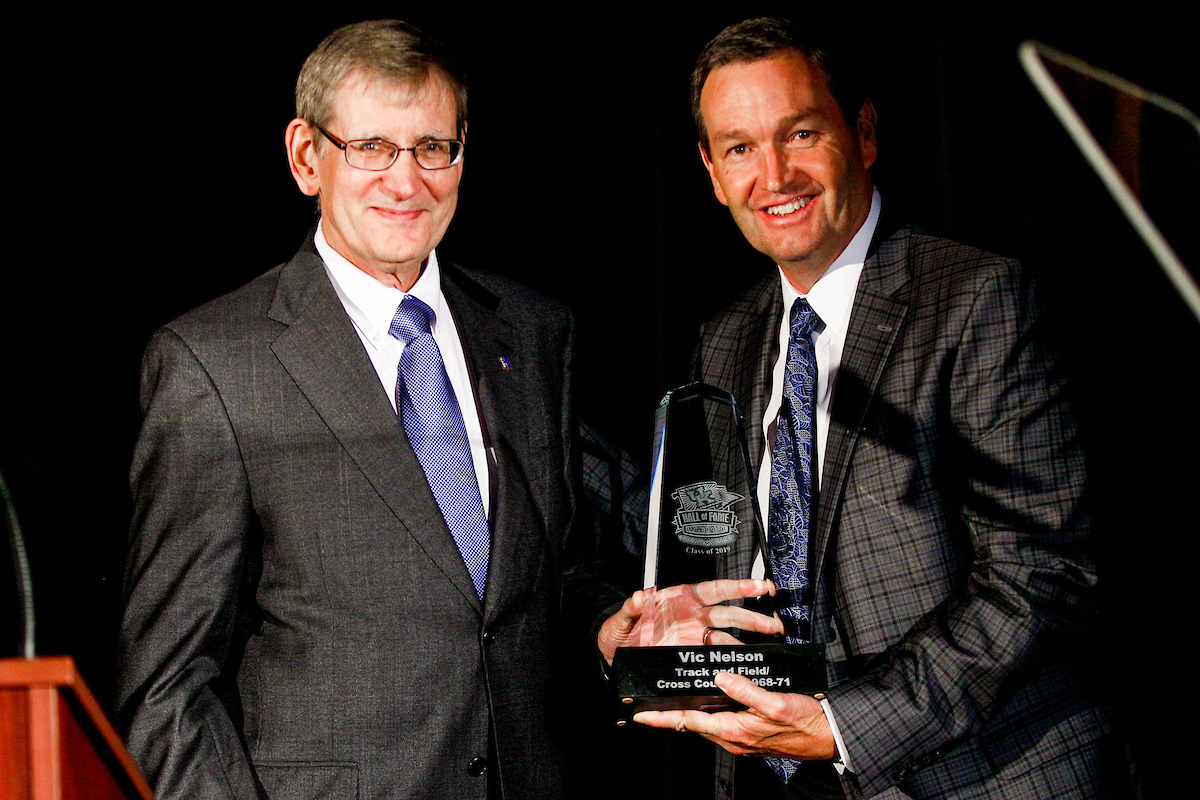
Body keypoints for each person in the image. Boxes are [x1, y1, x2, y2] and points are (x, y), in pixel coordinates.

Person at [597, 17, 1137, 800]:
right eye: (740, 148)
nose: (773, 175)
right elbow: (739, 557)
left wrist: (847, 726)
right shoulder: (724, 342)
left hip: (987, 779)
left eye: (801, 133)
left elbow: (1043, 570)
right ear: (713, 174)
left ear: (865, 132)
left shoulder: (977, 298)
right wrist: (673, 633)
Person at [115, 20, 573, 800]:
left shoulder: (532, 334)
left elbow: (553, 575)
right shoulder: (214, 365)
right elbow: (167, 691)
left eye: (434, 148)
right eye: (372, 148)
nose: (407, 182)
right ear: (306, 157)